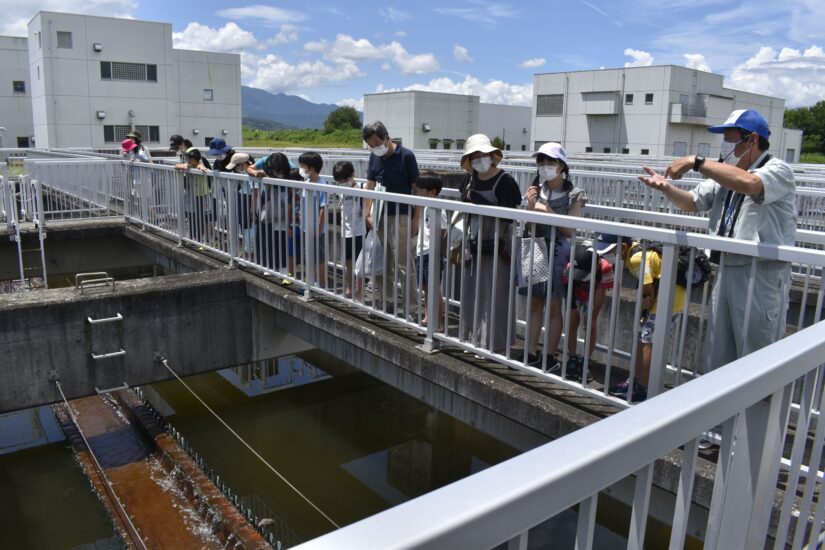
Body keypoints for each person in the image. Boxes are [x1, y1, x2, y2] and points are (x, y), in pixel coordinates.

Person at [638, 109, 796, 371]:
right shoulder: (727, 172)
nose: (725, 146)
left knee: (757, 356)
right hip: (726, 268)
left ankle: (756, 409)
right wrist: (666, 187)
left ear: (752, 139)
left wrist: (696, 162)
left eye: (731, 139)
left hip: (761, 275)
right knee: (720, 356)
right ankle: (726, 410)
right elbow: (692, 201)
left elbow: (750, 184)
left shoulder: (777, 169)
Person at [522, 142, 585, 374]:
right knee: (535, 303)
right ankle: (530, 352)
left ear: (561, 165)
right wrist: (530, 207)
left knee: (554, 306)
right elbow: (530, 226)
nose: (545, 167)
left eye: (550, 162)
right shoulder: (535, 189)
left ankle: (549, 355)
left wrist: (547, 211)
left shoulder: (574, 193)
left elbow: (571, 230)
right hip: (536, 248)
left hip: (559, 252)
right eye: (541, 163)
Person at [599, 236, 686, 402]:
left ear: (623, 247)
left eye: (609, 251)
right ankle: (636, 380)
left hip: (668, 300)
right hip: (665, 297)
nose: (606, 255)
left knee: (647, 339)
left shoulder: (636, 257)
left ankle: (643, 387)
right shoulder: (637, 251)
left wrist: (648, 301)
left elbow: (647, 285)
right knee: (643, 337)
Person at [458, 134, 522, 352]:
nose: (479, 160)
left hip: (498, 243)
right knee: (472, 291)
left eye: (482, 155)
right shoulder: (468, 180)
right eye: (474, 156)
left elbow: (508, 215)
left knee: (496, 294)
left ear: (491, 156)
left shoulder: (505, 181)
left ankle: (493, 342)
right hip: (473, 242)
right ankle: (471, 338)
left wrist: (480, 203)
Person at [362, 121, 420, 313]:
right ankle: (387, 300)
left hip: (401, 215)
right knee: (381, 261)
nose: (375, 148)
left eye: (377, 143)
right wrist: (366, 213)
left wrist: (416, 218)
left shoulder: (406, 156)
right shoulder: (374, 156)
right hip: (379, 215)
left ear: (387, 138)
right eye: (371, 145)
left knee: (404, 262)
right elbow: (369, 185)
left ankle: (411, 307)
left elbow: (416, 190)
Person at [561, 246, 613, 383]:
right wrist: (572, 308)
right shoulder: (571, 265)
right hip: (576, 293)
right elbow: (568, 285)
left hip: (592, 296)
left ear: (596, 265)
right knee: (573, 320)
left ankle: (585, 362)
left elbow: (601, 294)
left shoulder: (606, 268)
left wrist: (592, 316)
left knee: (591, 326)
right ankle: (572, 357)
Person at [412, 171, 449, 330]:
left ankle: (436, 321)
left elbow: (442, 230)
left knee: (433, 288)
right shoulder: (426, 206)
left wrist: (439, 251)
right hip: (423, 251)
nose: (417, 193)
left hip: (431, 252)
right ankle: (429, 316)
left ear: (432, 192)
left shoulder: (437, 207)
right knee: (427, 287)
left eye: (421, 190)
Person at [252, 153, 298, 273]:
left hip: (284, 200)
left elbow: (293, 188)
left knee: (281, 235)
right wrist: (257, 173)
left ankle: (283, 269)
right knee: (265, 232)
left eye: (278, 170)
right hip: (268, 200)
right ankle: (268, 265)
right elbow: (249, 168)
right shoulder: (265, 161)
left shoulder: (291, 167)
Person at [332, 161, 366, 299]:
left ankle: (359, 291)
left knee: (360, 263)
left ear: (353, 175)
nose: (343, 183)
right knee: (348, 262)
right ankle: (350, 288)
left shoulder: (362, 188)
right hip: (346, 231)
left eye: (345, 180)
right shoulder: (341, 190)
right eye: (340, 181)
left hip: (360, 231)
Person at [298, 151, 328, 287]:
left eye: (303, 166)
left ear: (312, 168)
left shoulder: (321, 184)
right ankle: (311, 282)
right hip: (306, 227)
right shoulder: (308, 181)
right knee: (310, 256)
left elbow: (323, 208)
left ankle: (320, 285)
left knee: (319, 258)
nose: (301, 169)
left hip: (316, 229)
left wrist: (319, 229)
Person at [175, 147, 212, 242]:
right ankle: (192, 238)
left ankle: (199, 240)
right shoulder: (188, 164)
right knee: (191, 217)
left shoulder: (200, 164)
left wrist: (200, 167)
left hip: (200, 195)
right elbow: (177, 166)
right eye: (187, 158)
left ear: (195, 158)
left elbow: (202, 167)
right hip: (190, 196)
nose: (188, 160)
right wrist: (184, 166)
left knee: (199, 218)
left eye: (190, 158)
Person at [226, 152, 258, 260]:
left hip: (248, 201)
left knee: (249, 228)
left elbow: (255, 191)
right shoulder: (245, 173)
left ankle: (250, 255)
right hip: (244, 199)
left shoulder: (251, 173)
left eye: (237, 166)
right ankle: (247, 252)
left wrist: (252, 208)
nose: (236, 169)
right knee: (245, 227)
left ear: (242, 164)